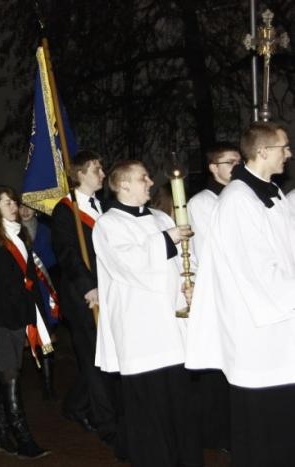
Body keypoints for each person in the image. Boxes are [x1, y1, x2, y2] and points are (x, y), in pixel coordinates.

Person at [185, 122, 295, 467]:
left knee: (283, 422)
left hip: (280, 326)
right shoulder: (237, 201)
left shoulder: (271, 192)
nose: (289, 154)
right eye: (284, 147)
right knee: (262, 425)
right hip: (258, 330)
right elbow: (257, 272)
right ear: (263, 152)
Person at [93, 160, 201, 467]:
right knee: (149, 411)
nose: (150, 182)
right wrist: (169, 239)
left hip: (172, 329)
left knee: (179, 407)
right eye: (143, 178)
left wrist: (190, 281)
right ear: (123, 185)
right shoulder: (108, 224)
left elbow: (184, 261)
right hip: (140, 333)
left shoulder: (158, 217)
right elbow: (131, 265)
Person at [0, 185, 51, 459]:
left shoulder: (21, 235)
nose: (13, 207)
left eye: (13, 202)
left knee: (12, 374)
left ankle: (1, 432)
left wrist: (38, 318)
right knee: (10, 375)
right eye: (6, 203)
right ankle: (23, 437)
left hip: (19, 315)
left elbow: (30, 281)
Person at [50, 150, 118, 443]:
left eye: (101, 168)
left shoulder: (103, 206)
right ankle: (107, 423)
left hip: (109, 290)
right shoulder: (66, 209)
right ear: (79, 175)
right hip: (84, 294)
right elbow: (67, 253)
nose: (102, 174)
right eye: (95, 169)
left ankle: (76, 404)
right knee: (94, 357)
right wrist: (87, 286)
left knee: (104, 355)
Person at [186, 142, 240, 452]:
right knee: (218, 369)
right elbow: (211, 250)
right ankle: (220, 433)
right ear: (213, 168)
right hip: (218, 292)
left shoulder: (242, 197)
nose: (235, 166)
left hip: (239, 293)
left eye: (238, 160)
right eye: (228, 161)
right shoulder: (202, 203)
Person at [19, 203, 59, 401]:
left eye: (29, 208)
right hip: (22, 291)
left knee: (46, 339)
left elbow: (52, 260)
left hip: (43, 290)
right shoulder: (12, 230)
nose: (25, 211)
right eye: (21, 207)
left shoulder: (44, 230)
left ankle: (48, 385)